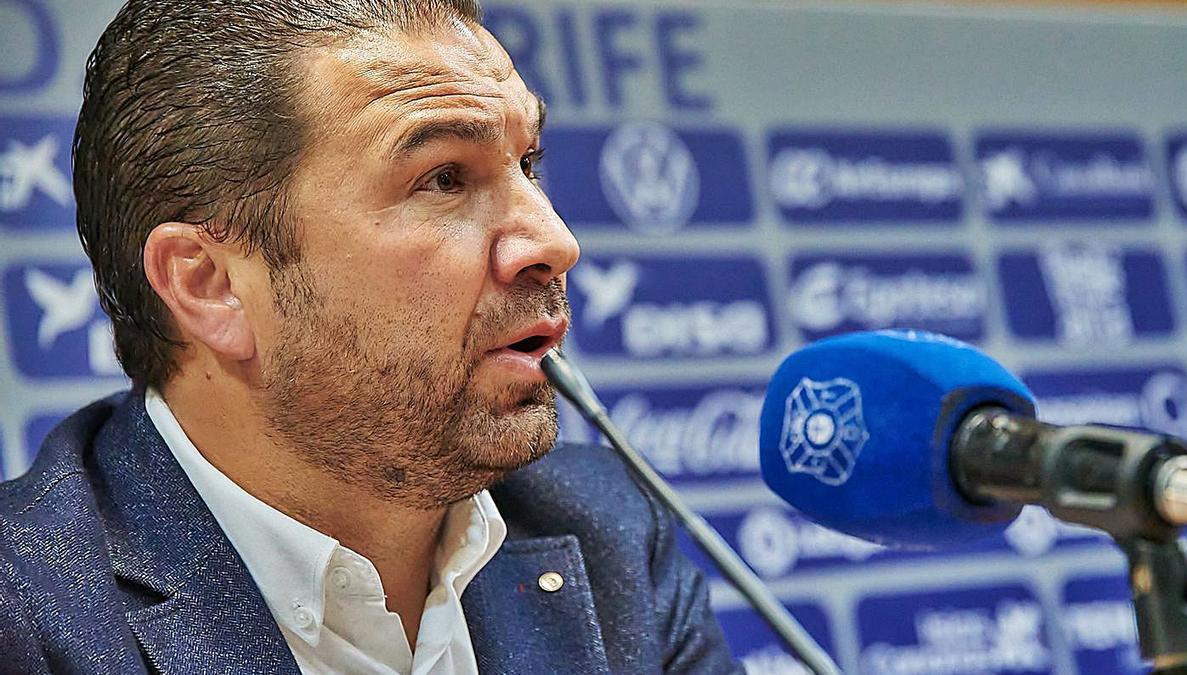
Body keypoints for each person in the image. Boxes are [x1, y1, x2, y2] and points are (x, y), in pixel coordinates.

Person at [0, 1, 741, 673]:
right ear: (209, 284)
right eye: (445, 177)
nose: (554, 240)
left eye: (527, 163)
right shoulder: (30, 617)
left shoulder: (605, 530)